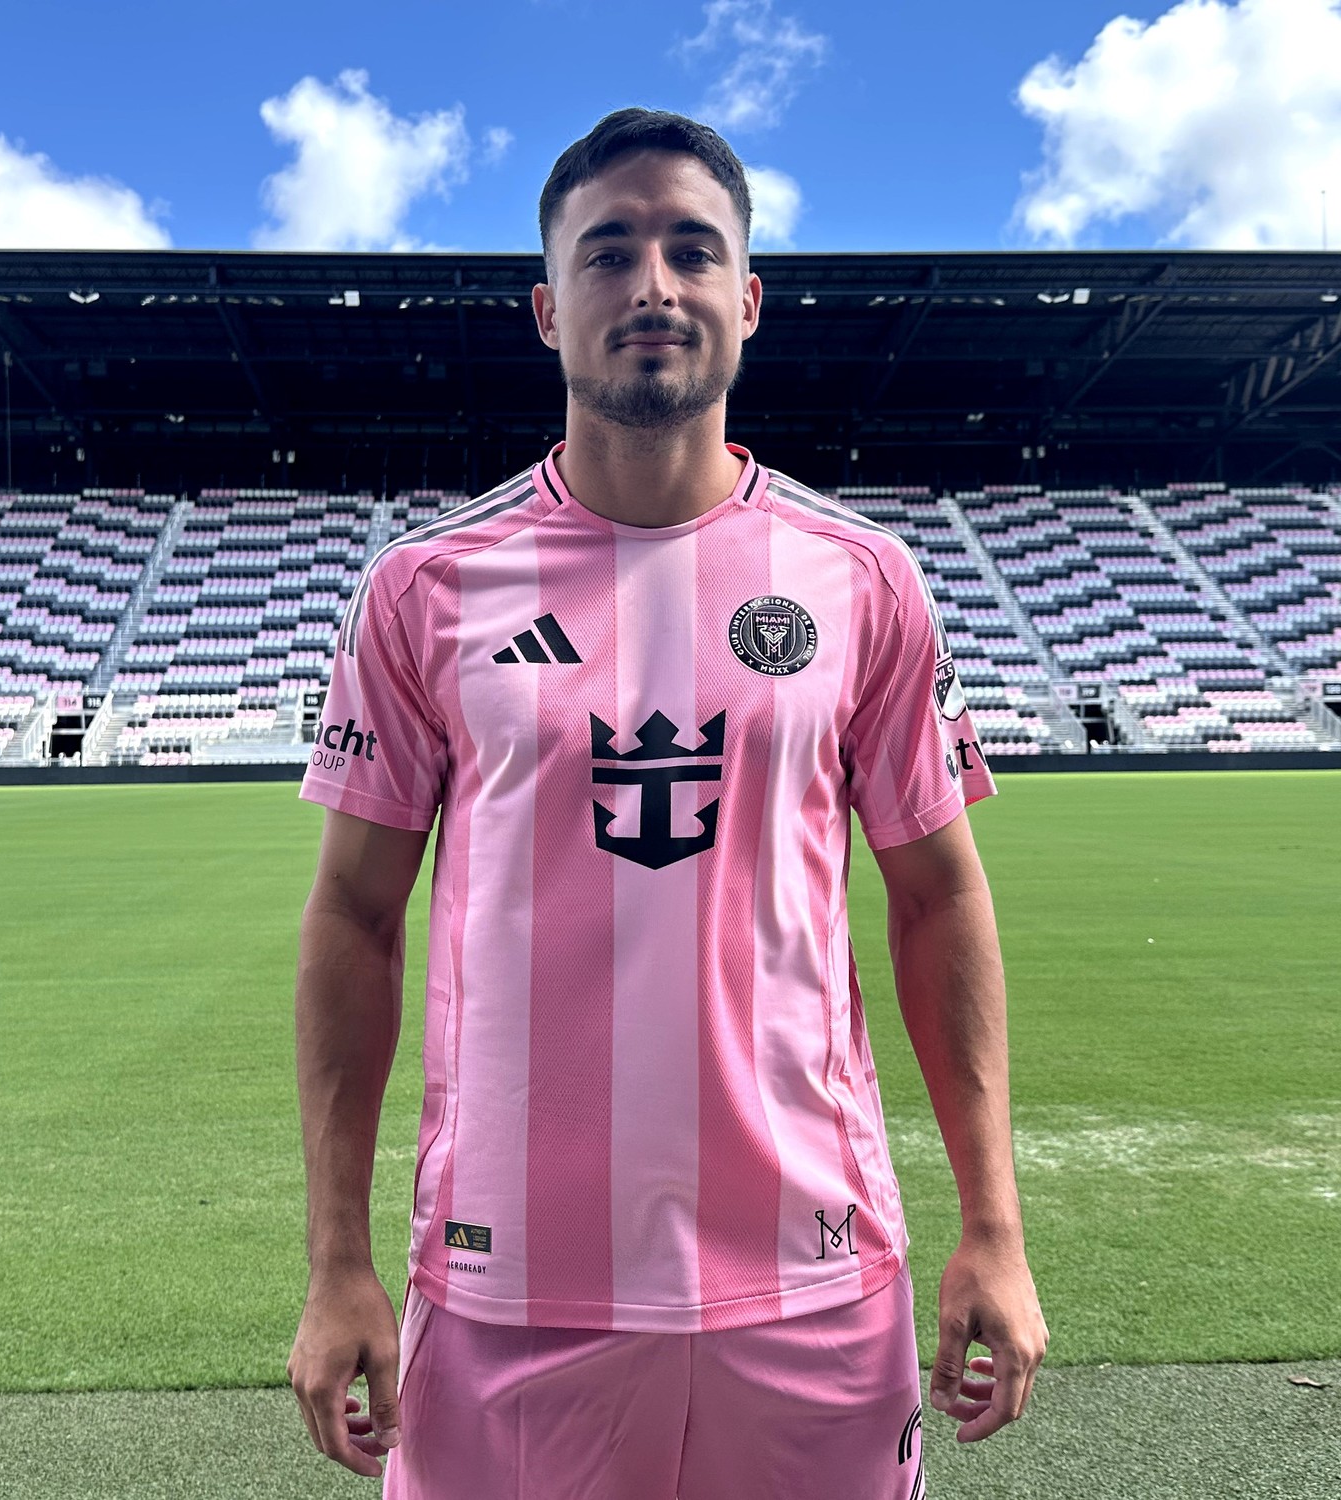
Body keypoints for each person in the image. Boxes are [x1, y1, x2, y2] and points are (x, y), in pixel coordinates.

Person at [288, 107, 1046, 1498]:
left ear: (747, 300)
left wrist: (993, 1225)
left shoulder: (862, 578)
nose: (653, 284)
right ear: (547, 309)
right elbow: (352, 915)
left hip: (813, 1279)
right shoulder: (425, 588)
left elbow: (940, 896)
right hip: (509, 1284)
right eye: (608, 252)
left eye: (693, 250)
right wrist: (339, 1261)